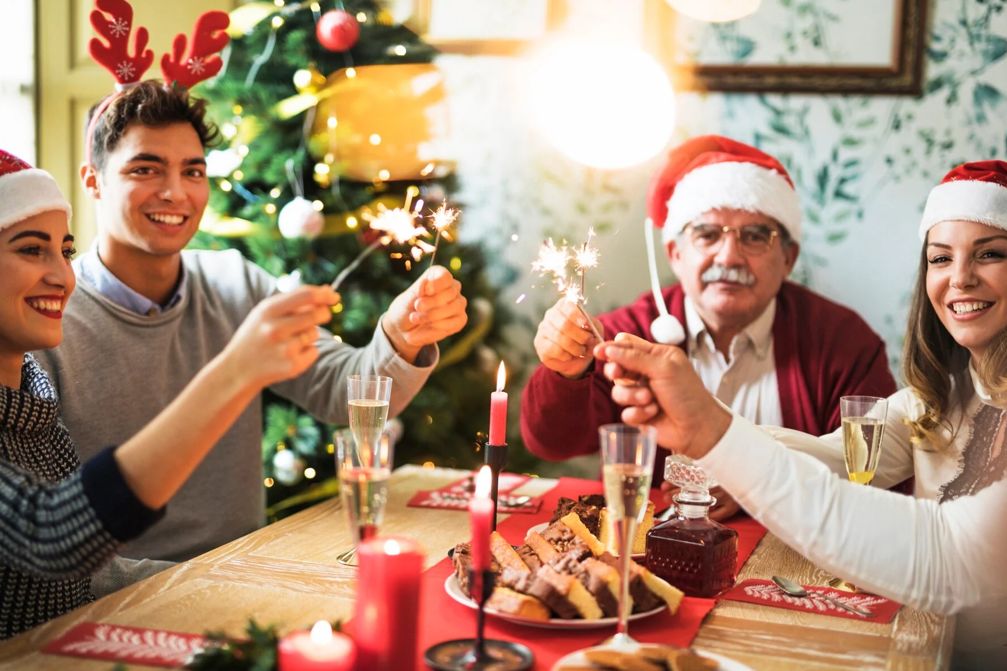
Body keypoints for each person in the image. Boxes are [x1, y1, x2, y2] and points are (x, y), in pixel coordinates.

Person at [34, 81, 468, 592]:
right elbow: (50, 544)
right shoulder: (46, 318)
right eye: (145, 169)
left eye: (193, 171)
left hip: (244, 581)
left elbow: (345, 393)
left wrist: (398, 336)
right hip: (125, 603)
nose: (176, 192)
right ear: (93, 181)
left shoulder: (234, 283)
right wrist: (208, 585)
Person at [595, 160, 1007, 669]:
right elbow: (833, 456)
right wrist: (706, 425)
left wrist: (712, 431)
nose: (960, 278)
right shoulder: (936, 400)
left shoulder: (840, 337)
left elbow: (946, 556)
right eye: (941, 259)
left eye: (990, 255)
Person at [0, 148, 338, 638]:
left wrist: (239, 586)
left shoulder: (34, 400)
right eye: (32, 249)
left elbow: (79, 577)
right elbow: (51, 535)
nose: (61, 275)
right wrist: (235, 373)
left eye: (65, 251)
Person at [521, 135, 896, 513]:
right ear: (676, 253)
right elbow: (550, 443)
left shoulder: (843, 343)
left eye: (754, 237)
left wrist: (763, 485)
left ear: (788, 259)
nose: (729, 256)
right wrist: (566, 373)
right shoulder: (628, 333)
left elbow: (882, 476)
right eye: (707, 234)